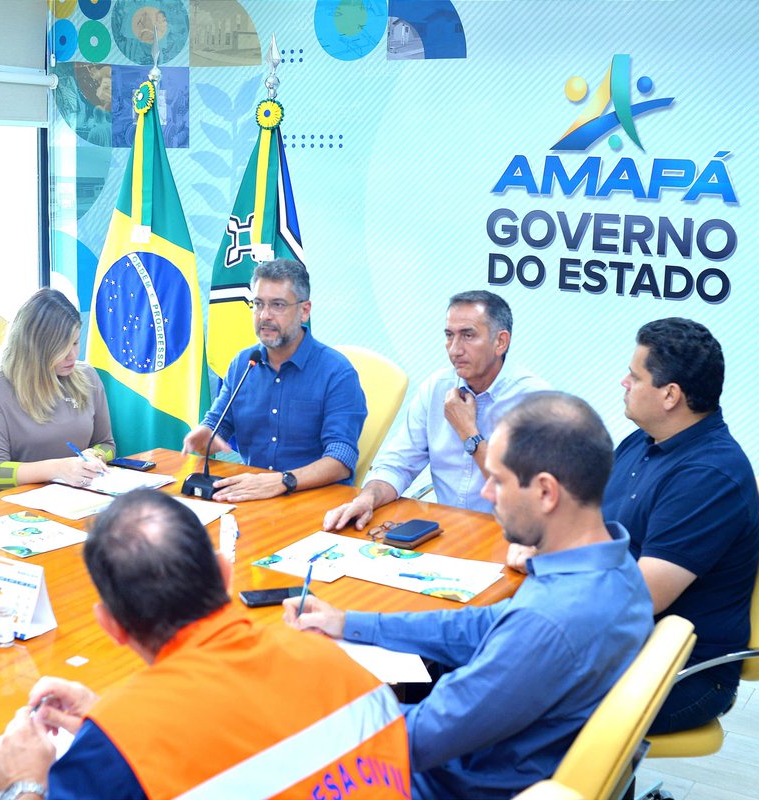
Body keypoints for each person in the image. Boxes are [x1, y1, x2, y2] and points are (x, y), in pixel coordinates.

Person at [287, 392, 652, 800]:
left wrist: (309, 716)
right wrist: (350, 623)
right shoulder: (616, 567)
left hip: (446, 784)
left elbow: (418, 740)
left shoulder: (548, 622)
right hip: (497, 762)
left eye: (498, 480)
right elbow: (481, 624)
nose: (487, 494)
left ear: (547, 492)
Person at [0, 489, 411, 800]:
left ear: (112, 626)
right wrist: (118, 724)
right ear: (226, 575)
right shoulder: (344, 668)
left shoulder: (117, 753)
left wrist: (21, 785)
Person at [511, 318, 759, 735]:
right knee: (472, 657)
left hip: (679, 672)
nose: (623, 381)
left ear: (670, 395)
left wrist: (547, 561)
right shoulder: (644, 442)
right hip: (610, 639)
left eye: (635, 375)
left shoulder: (709, 474)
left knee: (507, 698)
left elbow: (643, 593)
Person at [323, 290, 549, 530]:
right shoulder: (436, 388)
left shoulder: (535, 401)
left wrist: (469, 433)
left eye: (468, 336)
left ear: (500, 342)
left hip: (512, 533)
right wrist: (367, 498)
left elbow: (523, 495)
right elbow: (397, 466)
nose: (454, 349)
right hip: (449, 529)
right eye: (450, 336)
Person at [182, 259, 367, 502]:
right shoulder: (243, 364)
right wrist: (205, 433)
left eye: (277, 305)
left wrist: (283, 481)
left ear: (304, 310)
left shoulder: (337, 373)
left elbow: (341, 459)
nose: (265, 316)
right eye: (258, 304)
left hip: (315, 501)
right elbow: (218, 424)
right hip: (254, 496)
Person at [0, 288, 115, 492]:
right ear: (35, 347)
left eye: (75, 342)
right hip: (23, 504)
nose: (73, 355)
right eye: (62, 347)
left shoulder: (87, 377)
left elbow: (107, 444)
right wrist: (58, 469)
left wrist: (95, 455)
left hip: (81, 494)